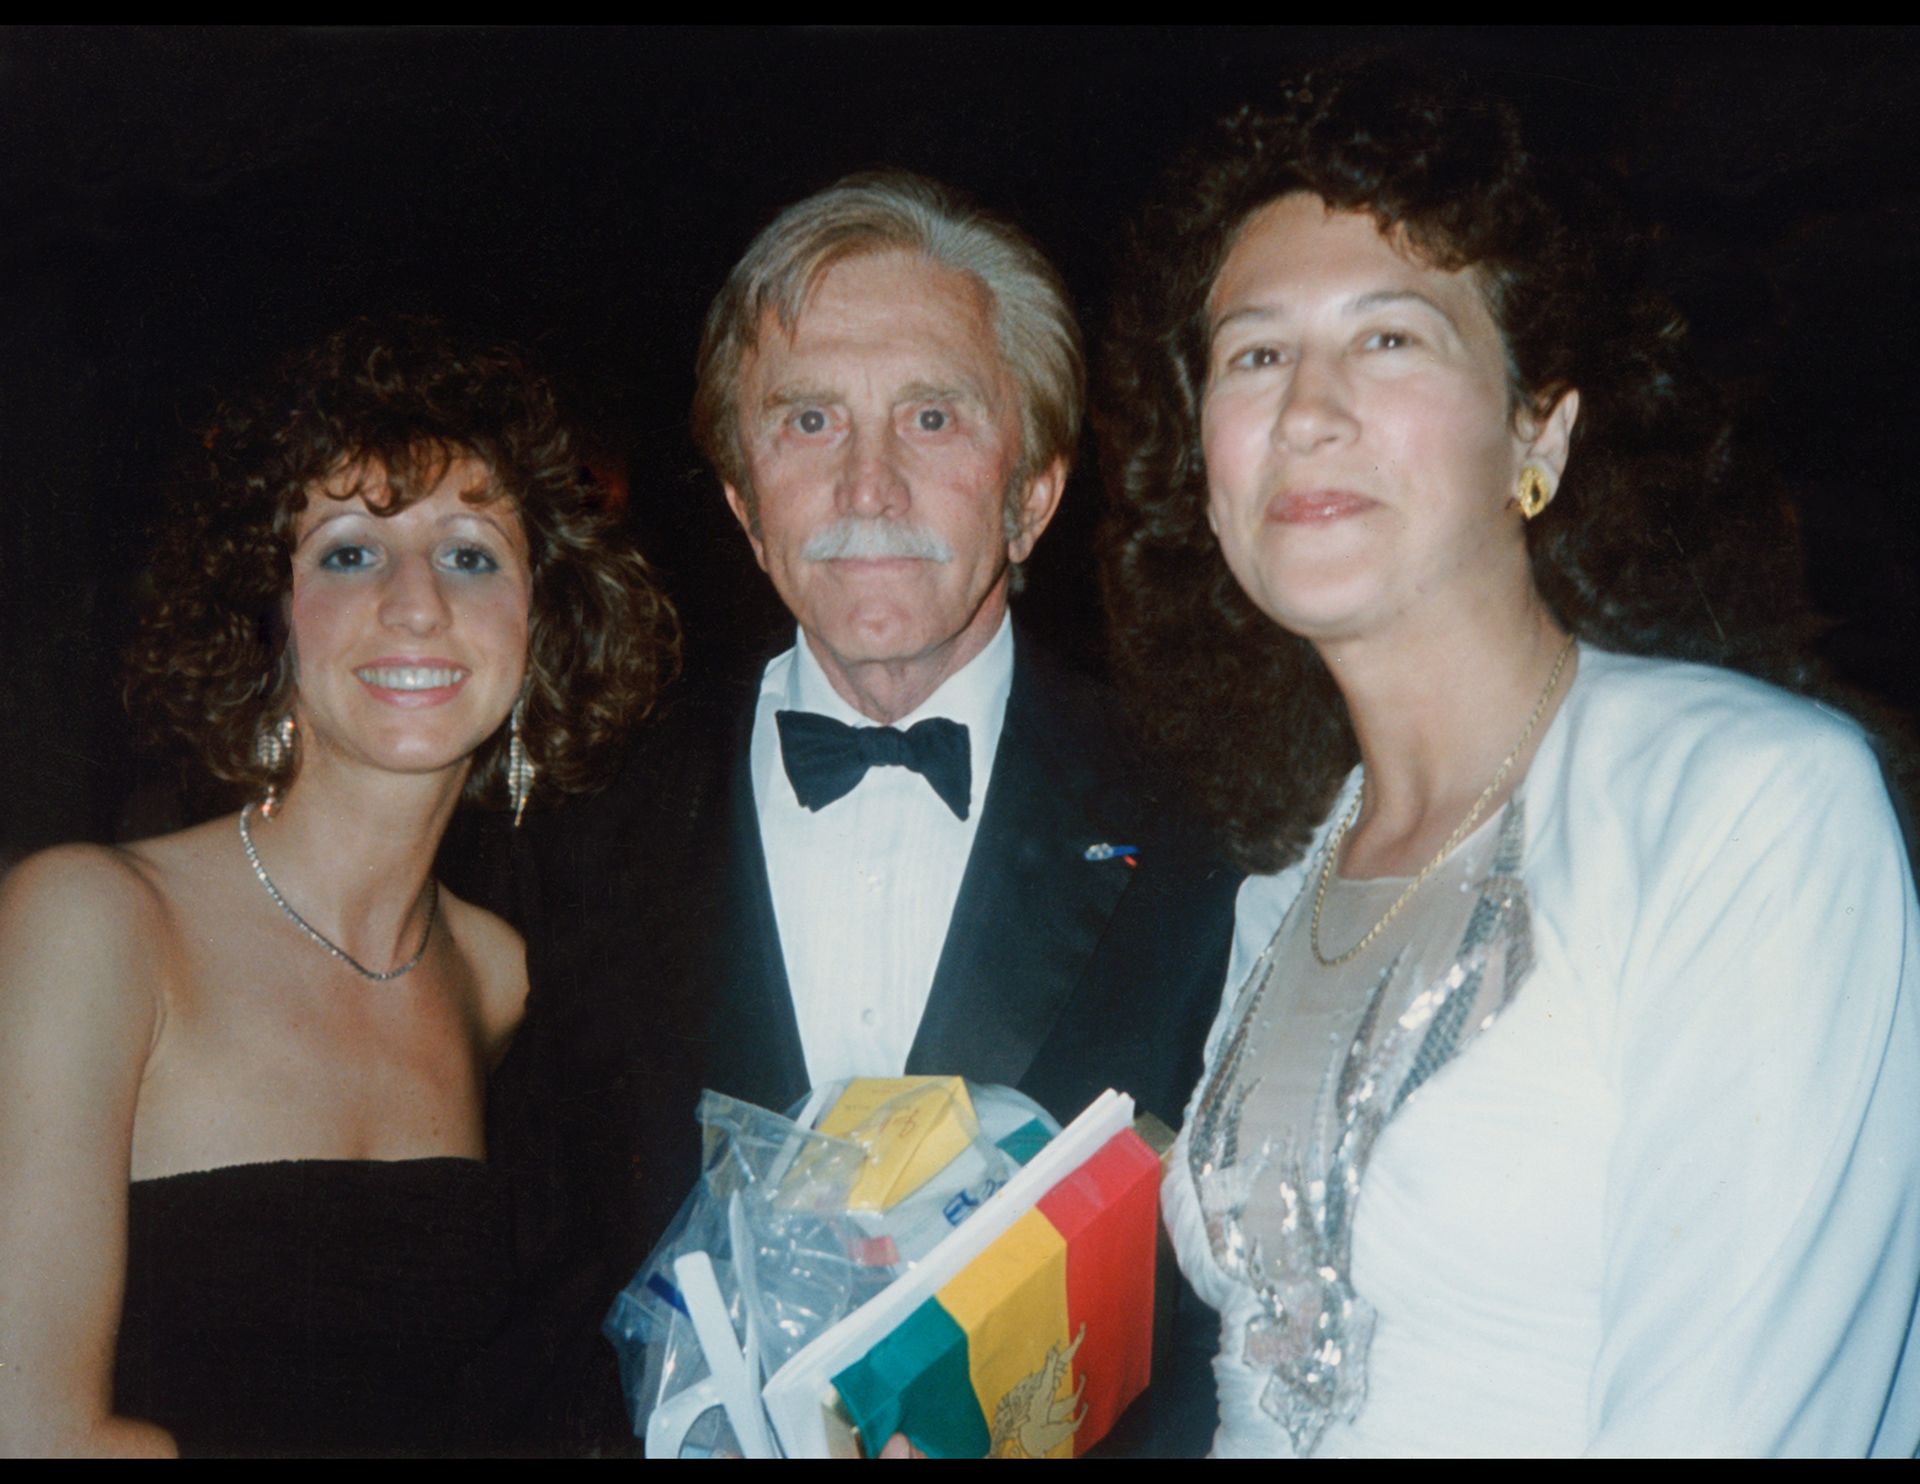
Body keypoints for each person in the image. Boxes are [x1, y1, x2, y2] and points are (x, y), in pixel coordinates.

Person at [1100, 61, 1920, 1458]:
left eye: (1391, 339)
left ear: (1537, 431)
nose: (1306, 408)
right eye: (1254, 353)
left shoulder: (1748, 810)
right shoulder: (1279, 890)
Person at [492, 170, 1241, 1453]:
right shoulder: (580, 820)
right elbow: (532, 1278)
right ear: (743, 499)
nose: (869, 486)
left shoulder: (1211, 821)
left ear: (1034, 494)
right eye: (808, 421)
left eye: (935, 417)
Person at [0, 318, 675, 1457]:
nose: (416, 603)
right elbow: (31, 1429)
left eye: (471, 553)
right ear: (268, 617)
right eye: (350, 551)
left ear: (540, 625)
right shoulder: (93, 923)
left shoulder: (502, 977)